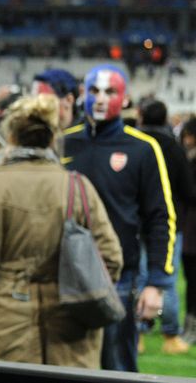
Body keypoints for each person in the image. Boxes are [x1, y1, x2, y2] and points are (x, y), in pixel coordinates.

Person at [0, 94, 123, 367]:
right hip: (70, 333)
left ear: (10, 137)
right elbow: (112, 258)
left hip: (0, 330)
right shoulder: (78, 186)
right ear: (52, 139)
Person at [62, 65, 176, 372]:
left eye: (110, 91)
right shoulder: (63, 143)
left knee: (118, 368)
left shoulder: (143, 148)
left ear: (125, 100)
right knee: (65, 367)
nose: (100, 99)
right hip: (64, 275)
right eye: (93, 91)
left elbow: (160, 218)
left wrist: (157, 283)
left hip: (120, 280)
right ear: (82, 95)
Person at [134, 98, 195, 354]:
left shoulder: (133, 144)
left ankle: (138, 333)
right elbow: (189, 190)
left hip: (136, 221)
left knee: (138, 276)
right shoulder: (172, 146)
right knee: (165, 278)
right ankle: (170, 334)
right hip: (170, 220)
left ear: (142, 116)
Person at [180, 117, 196, 344]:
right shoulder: (188, 159)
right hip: (189, 229)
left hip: (192, 231)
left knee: (193, 281)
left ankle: (191, 327)